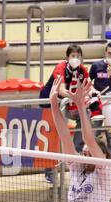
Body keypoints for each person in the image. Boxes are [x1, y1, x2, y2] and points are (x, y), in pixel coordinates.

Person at [39, 44, 97, 183]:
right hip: (49, 102)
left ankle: (75, 157)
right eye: (73, 56)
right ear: (67, 57)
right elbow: (61, 90)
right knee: (53, 137)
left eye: (78, 56)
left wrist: (93, 92)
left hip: (67, 104)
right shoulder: (61, 67)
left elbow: (89, 86)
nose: (75, 58)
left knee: (85, 118)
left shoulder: (82, 70)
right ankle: (49, 172)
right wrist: (75, 96)